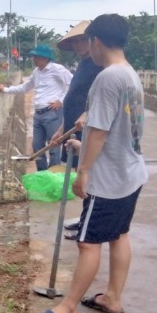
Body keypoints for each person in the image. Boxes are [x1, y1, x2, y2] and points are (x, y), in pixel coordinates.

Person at [29, 14, 148, 313]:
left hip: (110, 180)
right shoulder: (129, 74)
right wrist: (84, 145)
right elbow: (120, 128)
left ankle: (68, 309)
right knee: (119, 235)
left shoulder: (108, 78)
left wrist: (84, 171)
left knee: (87, 242)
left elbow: (98, 132)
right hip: (130, 171)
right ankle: (112, 297)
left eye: (88, 42)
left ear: (96, 41)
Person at [51, 21, 104, 236]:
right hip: (74, 128)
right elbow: (73, 99)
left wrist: (88, 115)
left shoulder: (100, 66)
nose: (79, 45)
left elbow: (99, 100)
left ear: (93, 41)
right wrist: (61, 129)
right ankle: (84, 219)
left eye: (83, 40)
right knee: (78, 174)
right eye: (75, 41)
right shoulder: (82, 65)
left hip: (89, 129)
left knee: (88, 176)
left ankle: (88, 224)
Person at [0, 44, 72, 171]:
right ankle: (42, 173)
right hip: (38, 114)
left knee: (53, 146)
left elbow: (71, 84)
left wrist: (61, 100)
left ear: (45, 58)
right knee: (37, 146)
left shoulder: (57, 69)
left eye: (36, 56)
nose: (33, 59)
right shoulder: (36, 72)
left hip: (52, 112)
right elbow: (25, 87)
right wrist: (6, 89)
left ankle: (53, 176)